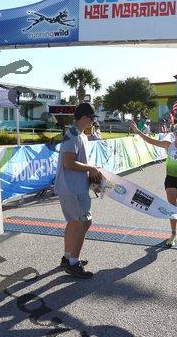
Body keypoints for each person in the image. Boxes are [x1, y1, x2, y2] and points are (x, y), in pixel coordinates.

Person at [54, 103, 102, 279]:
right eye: (91, 118)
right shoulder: (74, 134)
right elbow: (68, 163)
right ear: (84, 118)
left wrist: (91, 176)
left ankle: (68, 258)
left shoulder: (79, 134)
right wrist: (91, 168)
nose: (93, 122)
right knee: (84, 222)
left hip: (73, 187)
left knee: (74, 222)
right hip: (72, 188)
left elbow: (73, 162)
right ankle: (73, 263)